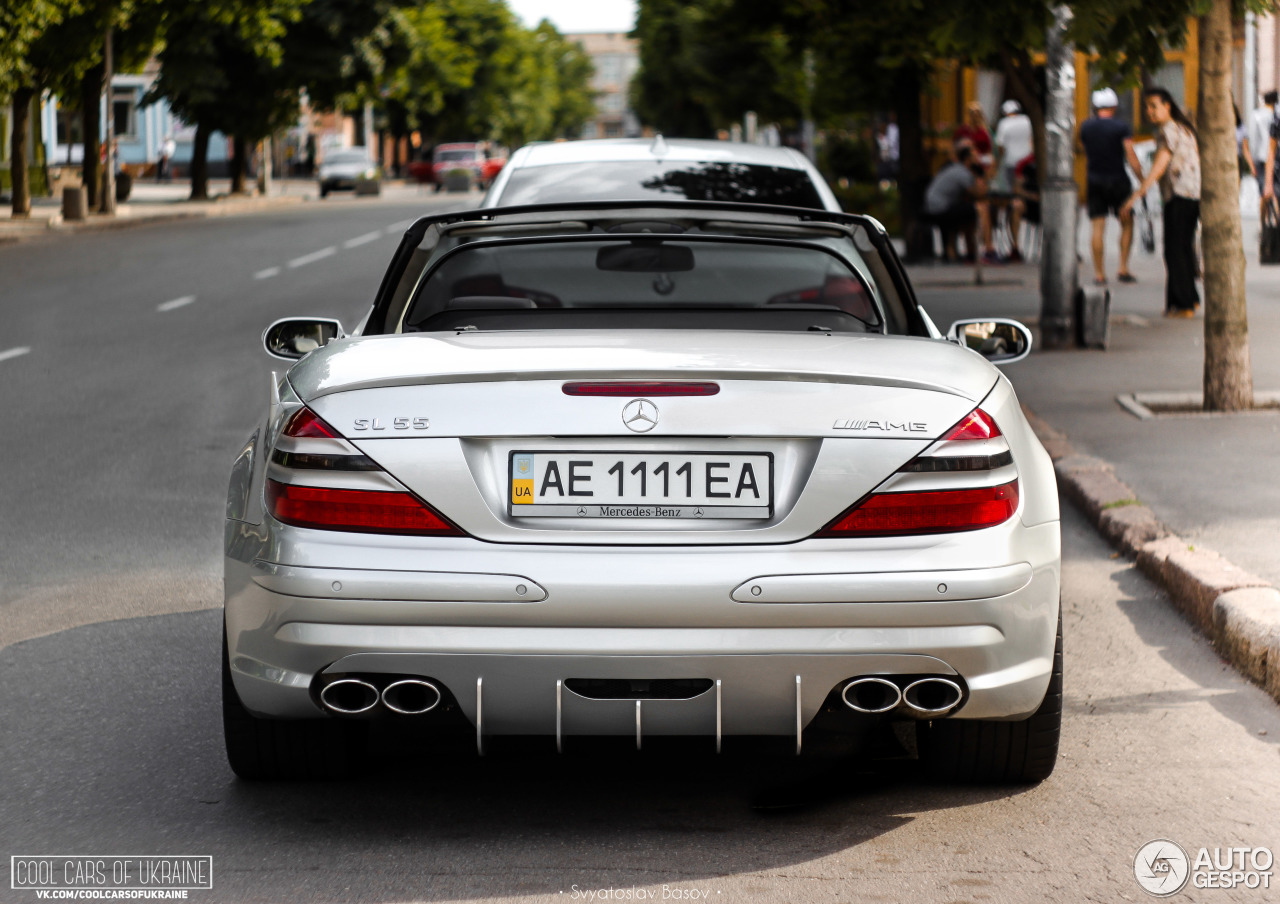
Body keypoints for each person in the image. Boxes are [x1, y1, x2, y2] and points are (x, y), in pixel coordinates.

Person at [1121, 87, 1201, 318]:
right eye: (1147, 107)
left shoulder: (1169, 130)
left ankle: (1182, 303)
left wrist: (1139, 192)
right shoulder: (1183, 128)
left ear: (1167, 106)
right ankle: (1188, 300)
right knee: (1183, 248)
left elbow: (1160, 165)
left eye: (1154, 106)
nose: (1149, 112)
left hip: (1179, 194)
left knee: (1174, 250)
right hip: (1191, 195)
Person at [1079, 87, 1145, 286]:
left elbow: (1083, 148)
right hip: (1118, 180)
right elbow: (1130, 154)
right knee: (1127, 223)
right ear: (1114, 106)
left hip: (1094, 180)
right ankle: (1123, 267)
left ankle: (1099, 273)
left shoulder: (1086, 127)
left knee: (1097, 227)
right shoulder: (1121, 127)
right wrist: (1142, 178)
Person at [924, 144, 987, 262]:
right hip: (940, 209)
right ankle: (986, 248)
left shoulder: (955, 169)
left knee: (968, 211)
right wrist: (984, 176)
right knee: (979, 209)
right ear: (968, 159)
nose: (978, 158)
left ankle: (965, 250)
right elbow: (978, 194)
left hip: (933, 206)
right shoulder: (963, 172)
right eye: (975, 156)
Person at [994, 99, 1033, 261]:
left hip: (1011, 164)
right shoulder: (1028, 121)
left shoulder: (1004, 124)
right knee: (1019, 199)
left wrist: (998, 164)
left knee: (1013, 199)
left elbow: (1000, 146)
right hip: (1028, 162)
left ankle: (1014, 244)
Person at [1251, 91, 1277, 212]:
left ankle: (1262, 222)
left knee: (1263, 192)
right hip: (1276, 157)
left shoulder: (1256, 115)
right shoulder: (1276, 115)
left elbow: (1254, 138)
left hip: (1261, 156)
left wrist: (1252, 160)